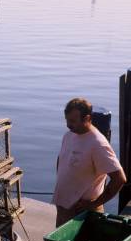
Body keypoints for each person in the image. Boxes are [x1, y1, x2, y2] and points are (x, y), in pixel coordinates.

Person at [52, 97, 126, 227]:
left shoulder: (98, 144)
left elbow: (119, 179)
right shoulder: (69, 135)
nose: (68, 125)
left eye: (73, 121)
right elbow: (62, 159)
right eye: (67, 120)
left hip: (82, 212)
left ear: (87, 119)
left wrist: (93, 204)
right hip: (64, 207)